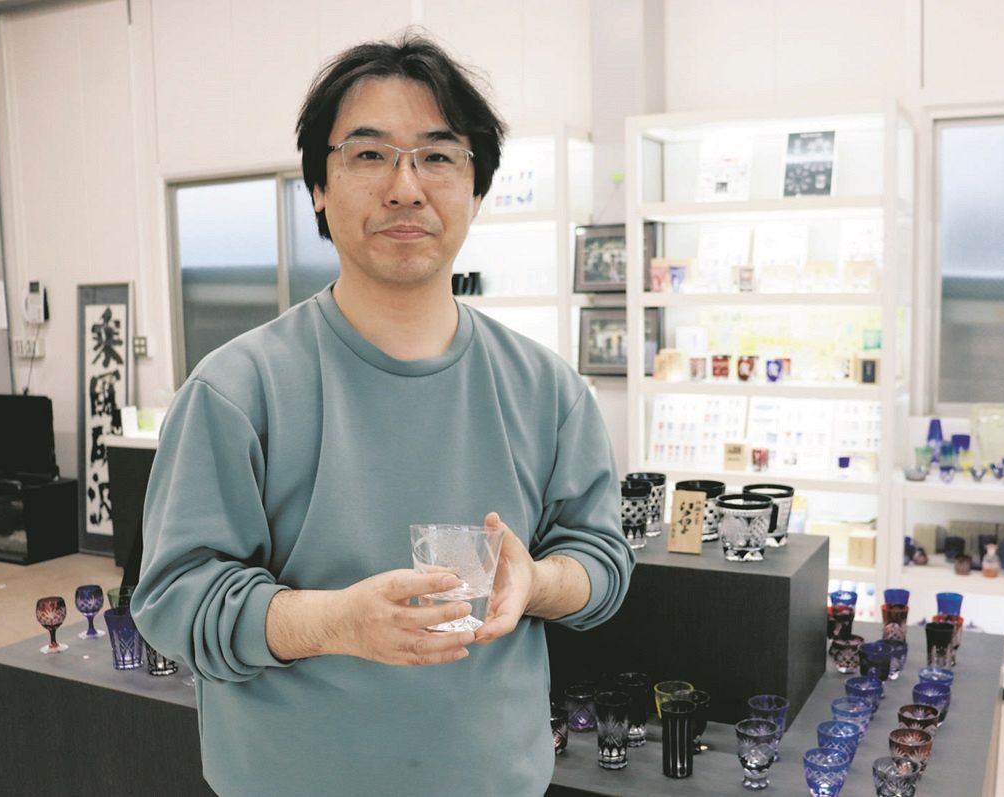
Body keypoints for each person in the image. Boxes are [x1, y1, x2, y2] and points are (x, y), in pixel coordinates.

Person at [133, 33, 633, 797]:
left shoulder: (548, 390)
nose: (406, 187)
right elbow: (175, 599)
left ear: (475, 189)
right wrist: (334, 621)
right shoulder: (236, 389)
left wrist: (536, 581)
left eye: (438, 155)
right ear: (318, 188)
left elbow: (601, 560)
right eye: (369, 155)